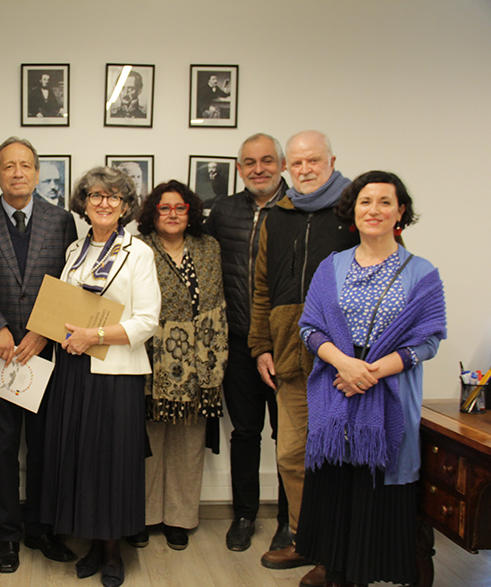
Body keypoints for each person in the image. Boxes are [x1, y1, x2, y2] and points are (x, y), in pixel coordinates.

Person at [296, 171, 446, 586]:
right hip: (336, 392)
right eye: (365, 201)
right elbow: (309, 328)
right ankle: (336, 569)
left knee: (376, 489)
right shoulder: (332, 266)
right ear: (353, 211)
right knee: (337, 485)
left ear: (400, 211)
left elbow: (429, 341)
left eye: (384, 202)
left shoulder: (421, 272)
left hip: (389, 393)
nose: (374, 210)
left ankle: (366, 570)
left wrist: (368, 373)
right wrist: (344, 364)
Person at [249, 130, 359, 587]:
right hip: (291, 360)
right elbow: (261, 289)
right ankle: (307, 538)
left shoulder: (355, 211)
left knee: (338, 461)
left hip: (344, 364)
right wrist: (261, 346)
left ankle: (340, 556)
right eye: (297, 163)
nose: (305, 169)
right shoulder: (279, 216)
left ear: (331, 160)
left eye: (314, 161)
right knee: (293, 456)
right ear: (286, 168)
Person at [41, 166, 160, 587]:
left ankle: (113, 550)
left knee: (113, 460)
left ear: (126, 206)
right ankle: (92, 540)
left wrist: (96, 334)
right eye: (96, 196)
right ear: (84, 204)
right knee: (83, 458)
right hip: (73, 368)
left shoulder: (138, 252)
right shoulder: (75, 250)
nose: (104, 203)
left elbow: (148, 321)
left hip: (115, 373)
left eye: (113, 197)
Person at [0, 137, 78, 574]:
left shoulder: (62, 220)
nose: (17, 172)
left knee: (44, 447)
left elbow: (72, 283)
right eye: (8, 166)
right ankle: (8, 536)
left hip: (46, 353)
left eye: (25, 165)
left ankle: (40, 528)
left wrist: (42, 333)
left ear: (37, 173)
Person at [204, 133, 291, 553]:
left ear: (283, 164)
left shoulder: (299, 210)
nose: (259, 169)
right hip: (239, 342)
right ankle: (244, 515)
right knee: (245, 432)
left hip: (290, 347)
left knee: (289, 437)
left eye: (267, 161)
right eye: (250, 162)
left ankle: (290, 522)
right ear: (239, 169)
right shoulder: (223, 210)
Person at [132, 180, 227, 551]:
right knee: (149, 445)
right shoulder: (138, 249)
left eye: (180, 208)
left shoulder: (210, 247)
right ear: (152, 214)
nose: (172, 214)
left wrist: (213, 361)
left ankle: (179, 518)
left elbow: (217, 302)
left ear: (191, 212)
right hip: (150, 358)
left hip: (201, 362)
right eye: (164, 208)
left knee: (189, 444)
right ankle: (142, 516)